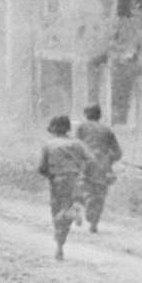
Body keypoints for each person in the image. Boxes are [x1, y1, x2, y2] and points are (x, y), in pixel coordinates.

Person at [37, 115, 94, 260]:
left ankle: (59, 244)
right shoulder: (78, 144)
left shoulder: (48, 145)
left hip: (57, 182)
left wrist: (50, 174)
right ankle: (72, 216)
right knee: (68, 209)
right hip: (75, 180)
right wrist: (81, 171)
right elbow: (91, 160)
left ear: (53, 128)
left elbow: (41, 168)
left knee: (57, 211)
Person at [75, 104, 123, 233]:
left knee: (83, 188)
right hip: (103, 166)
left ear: (86, 114)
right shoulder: (107, 130)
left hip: (86, 164)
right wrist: (109, 159)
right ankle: (94, 223)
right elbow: (118, 153)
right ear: (100, 115)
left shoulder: (81, 127)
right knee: (101, 193)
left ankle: (87, 200)